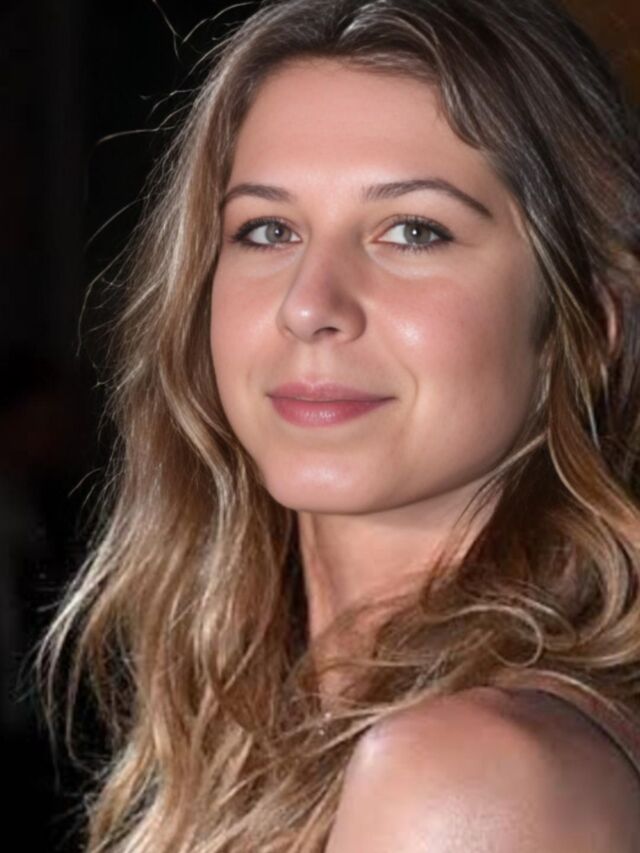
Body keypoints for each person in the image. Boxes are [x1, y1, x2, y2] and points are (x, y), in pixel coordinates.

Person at [36, 0, 640, 850]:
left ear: (584, 327)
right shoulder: (277, 732)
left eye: (413, 231)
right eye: (268, 229)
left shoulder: (467, 779)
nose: (309, 303)